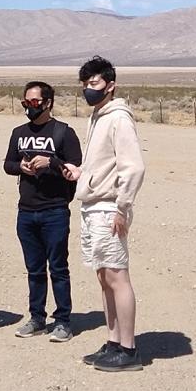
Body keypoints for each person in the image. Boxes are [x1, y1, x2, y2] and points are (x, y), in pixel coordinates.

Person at [61, 56, 147, 371]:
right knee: (103, 276)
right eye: (85, 84)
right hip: (93, 204)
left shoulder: (118, 118)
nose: (89, 90)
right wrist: (82, 173)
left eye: (94, 83)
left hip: (109, 206)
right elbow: (104, 163)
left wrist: (122, 208)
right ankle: (113, 342)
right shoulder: (98, 116)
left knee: (116, 276)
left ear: (110, 85)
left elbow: (133, 167)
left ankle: (128, 349)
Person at [3, 81, 82, 343]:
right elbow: (8, 164)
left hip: (55, 211)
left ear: (48, 103)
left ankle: (63, 322)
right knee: (34, 269)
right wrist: (22, 167)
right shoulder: (18, 132)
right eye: (26, 102)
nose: (29, 107)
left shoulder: (64, 133)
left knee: (58, 268)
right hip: (26, 212)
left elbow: (75, 171)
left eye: (34, 102)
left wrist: (52, 162)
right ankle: (37, 318)